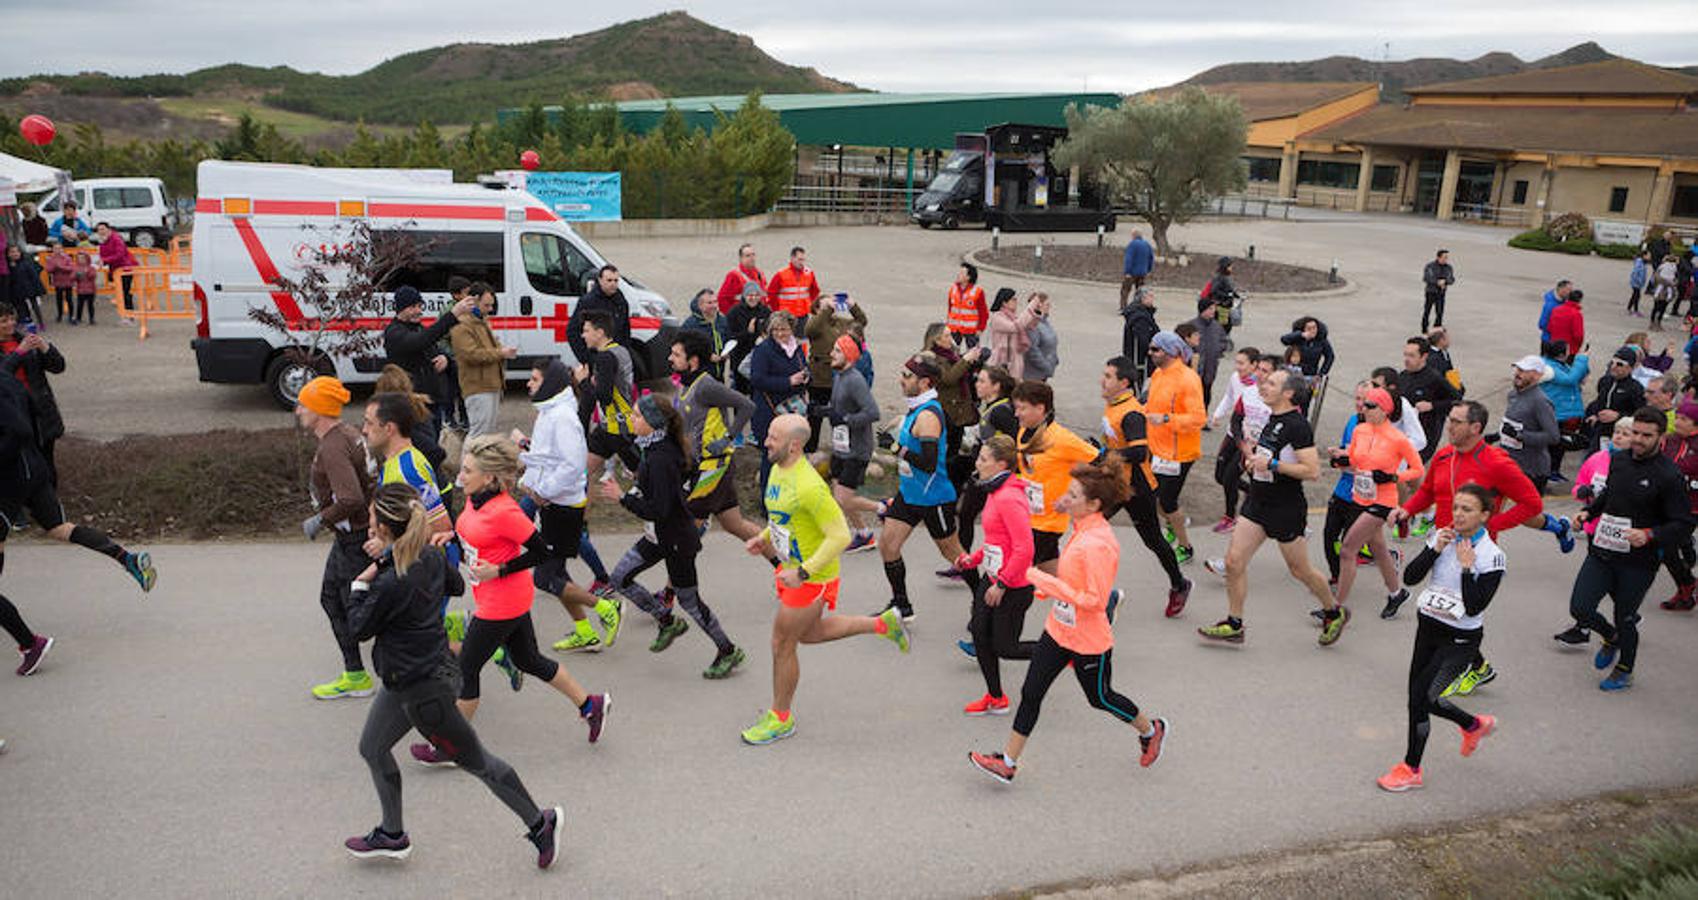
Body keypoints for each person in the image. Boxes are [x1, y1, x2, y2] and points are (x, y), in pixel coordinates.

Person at [341, 482, 564, 868]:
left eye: (374, 518)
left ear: (386, 530)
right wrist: (386, 561)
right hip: (406, 678)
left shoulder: (394, 581)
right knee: (372, 748)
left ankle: (540, 822)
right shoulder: (425, 557)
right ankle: (393, 835)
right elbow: (456, 584)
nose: (369, 522)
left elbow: (357, 627)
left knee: (478, 761)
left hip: (425, 691)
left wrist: (362, 581)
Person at [411, 435, 610, 768]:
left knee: (466, 669)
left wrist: (499, 569)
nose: (461, 476)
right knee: (529, 659)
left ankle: (450, 747)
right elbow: (477, 534)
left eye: (468, 470)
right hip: (500, 597)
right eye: (462, 468)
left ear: (489, 477)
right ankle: (591, 705)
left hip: (501, 601)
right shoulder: (475, 500)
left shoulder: (504, 511)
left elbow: (542, 550)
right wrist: (453, 535)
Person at [967, 460, 1168, 784]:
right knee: (1031, 692)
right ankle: (1007, 762)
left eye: (1073, 494)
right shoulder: (1083, 527)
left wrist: (1041, 581)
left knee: (1100, 697)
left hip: (1089, 639)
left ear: (1094, 505)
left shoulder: (1099, 544)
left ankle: (1151, 729)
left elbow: (1094, 600)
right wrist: (1053, 588)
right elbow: (1071, 579)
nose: (1066, 496)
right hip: (1058, 630)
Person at [740, 414, 909, 745]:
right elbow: (783, 517)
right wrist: (764, 537)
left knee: (782, 644)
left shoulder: (809, 486)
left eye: (773, 437)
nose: (765, 441)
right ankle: (883, 624)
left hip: (809, 577)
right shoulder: (777, 469)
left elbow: (841, 535)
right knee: (811, 634)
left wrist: (803, 572)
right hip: (794, 570)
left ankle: (780, 717)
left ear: (794, 445)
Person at [0, 368, 156, 680]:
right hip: (34, 469)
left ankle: (30, 644)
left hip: (10, 480)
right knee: (59, 528)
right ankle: (126, 558)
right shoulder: (6, 377)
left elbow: (18, 429)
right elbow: (36, 415)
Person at [1389, 400, 1544, 694]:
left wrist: (1492, 526)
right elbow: (1427, 491)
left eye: (1456, 422)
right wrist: (1407, 510)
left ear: (1476, 428)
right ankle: (1477, 666)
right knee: (1442, 609)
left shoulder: (1497, 463)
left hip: (1473, 554)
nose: (1449, 425)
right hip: (1441, 544)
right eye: (1449, 419)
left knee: (1464, 612)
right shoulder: (1445, 455)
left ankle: (1468, 667)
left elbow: (1532, 503)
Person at [1199, 369, 1350, 645]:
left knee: (1300, 570)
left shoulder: (1298, 425)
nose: (1263, 385)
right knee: (1234, 562)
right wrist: (1254, 460)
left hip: (1285, 507)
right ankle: (1235, 623)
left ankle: (1333, 611)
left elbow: (1312, 470)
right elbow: (1269, 456)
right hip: (1257, 501)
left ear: (1288, 393)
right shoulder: (1273, 418)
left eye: (1271, 383)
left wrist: (1272, 465)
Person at [598, 395, 745, 679]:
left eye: (638, 416)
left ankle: (728, 650)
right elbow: (674, 482)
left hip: (676, 539)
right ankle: (666, 620)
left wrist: (623, 497)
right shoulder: (653, 449)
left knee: (690, 601)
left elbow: (659, 510)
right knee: (619, 578)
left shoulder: (661, 458)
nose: (633, 419)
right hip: (657, 538)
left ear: (653, 424)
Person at [1375, 484, 1503, 793]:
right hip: (1428, 630)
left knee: (1427, 698)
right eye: (1456, 507)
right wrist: (1434, 550)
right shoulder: (1441, 537)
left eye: (1467, 509)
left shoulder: (1492, 555)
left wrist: (1466, 567)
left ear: (1485, 515)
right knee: (1415, 701)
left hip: (1459, 640)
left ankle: (1422, 760)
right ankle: (1423, 759)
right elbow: (1410, 578)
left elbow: (1475, 605)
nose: (1458, 514)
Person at [1566, 407, 1694, 691]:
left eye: (1645, 435)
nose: (1637, 439)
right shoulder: (1620, 460)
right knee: (1580, 608)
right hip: (1602, 550)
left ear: (1661, 438)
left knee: (1625, 617)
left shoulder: (1669, 475)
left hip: (1637, 562)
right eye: (1635, 432)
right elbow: (1609, 495)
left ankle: (1625, 669)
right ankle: (1610, 637)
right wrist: (1589, 512)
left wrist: (1650, 534)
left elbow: (1683, 524)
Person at [510, 360, 623, 654]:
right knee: (558, 576)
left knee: (544, 577)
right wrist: (528, 480)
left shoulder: (562, 417)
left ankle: (606, 606)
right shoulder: (549, 413)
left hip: (565, 507)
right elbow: (548, 458)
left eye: (534, 379)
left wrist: (543, 491)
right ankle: (585, 632)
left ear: (550, 383)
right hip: (552, 503)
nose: (529, 384)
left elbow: (574, 466)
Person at [295, 376, 379, 700]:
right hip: (354, 536)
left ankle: (460, 642)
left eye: (304, 403)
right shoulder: (346, 434)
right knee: (336, 600)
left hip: (356, 539)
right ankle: (355, 672)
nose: (299, 409)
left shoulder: (333, 445)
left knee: (364, 609)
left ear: (319, 409)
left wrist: (320, 519)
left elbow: (351, 498)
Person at [875, 356, 966, 622]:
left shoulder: (928, 415)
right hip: (910, 494)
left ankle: (987, 604)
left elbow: (927, 463)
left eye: (908, 376)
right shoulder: (916, 409)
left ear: (924, 382)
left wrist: (894, 447)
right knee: (888, 545)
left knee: (955, 555)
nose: (901, 380)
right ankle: (901, 605)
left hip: (933, 497)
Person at [1100, 356, 1192, 616]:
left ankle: (1179, 583)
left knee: (1153, 540)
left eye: (1108, 376)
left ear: (1124, 382)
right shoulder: (1114, 404)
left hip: (1136, 487)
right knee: (1088, 524)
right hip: (1115, 481)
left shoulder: (1130, 413)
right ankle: (1094, 590)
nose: (1102, 380)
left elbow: (1140, 453)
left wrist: (1104, 456)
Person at [954, 434, 1037, 714]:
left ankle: (1065, 652)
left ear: (1002, 464)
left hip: (1013, 586)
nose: (977, 463)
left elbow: (1025, 548)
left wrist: (1002, 583)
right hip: (992, 578)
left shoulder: (1009, 497)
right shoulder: (994, 491)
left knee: (1005, 647)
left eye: (983, 459)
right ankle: (996, 697)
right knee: (979, 634)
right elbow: (995, 541)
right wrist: (972, 559)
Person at [1329, 385, 1425, 617]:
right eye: (1364, 404)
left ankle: (1335, 609)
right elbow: (1356, 457)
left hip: (1383, 501)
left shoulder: (1398, 438)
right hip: (1360, 496)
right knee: (1379, 549)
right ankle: (1396, 593)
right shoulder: (1361, 430)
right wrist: (1341, 460)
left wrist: (1392, 476)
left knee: (1348, 549)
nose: (1364, 408)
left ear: (1384, 410)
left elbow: (1417, 469)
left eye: (1371, 405)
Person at [670, 330, 762, 545]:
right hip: (697, 465)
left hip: (713, 468)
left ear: (692, 360)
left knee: (682, 533)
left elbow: (747, 405)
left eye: (676, 354)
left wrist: (728, 438)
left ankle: (679, 578)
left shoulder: (706, 386)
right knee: (734, 524)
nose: (670, 359)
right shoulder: (684, 383)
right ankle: (782, 560)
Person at [1013, 380, 1101, 577]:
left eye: (1022, 408)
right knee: (1053, 571)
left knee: (1016, 574)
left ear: (1040, 408)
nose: (1016, 413)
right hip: (1029, 515)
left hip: (1048, 522)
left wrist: (1071, 496)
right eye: (1016, 407)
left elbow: (1100, 462)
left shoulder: (1061, 439)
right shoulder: (1024, 431)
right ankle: (1103, 598)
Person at [1145, 331, 1206, 564]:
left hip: (1179, 453)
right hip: (1157, 449)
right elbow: (1151, 408)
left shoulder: (1188, 379)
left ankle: (1186, 546)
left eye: (1155, 349)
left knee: (1167, 502)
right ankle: (1171, 524)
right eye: (1151, 348)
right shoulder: (1158, 374)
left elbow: (1199, 418)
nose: (1150, 353)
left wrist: (1168, 420)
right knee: (1154, 498)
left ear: (1170, 352)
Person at [384, 286, 475, 438]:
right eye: (413, 307)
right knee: (425, 448)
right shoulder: (394, 332)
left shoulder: (418, 328)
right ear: (400, 309)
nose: (418, 311)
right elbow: (420, 341)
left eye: (420, 306)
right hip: (412, 404)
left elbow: (434, 348)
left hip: (432, 402)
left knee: (433, 443)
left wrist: (445, 359)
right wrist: (452, 315)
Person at [824, 333, 882, 551]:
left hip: (857, 449)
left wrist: (846, 419)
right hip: (841, 446)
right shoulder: (839, 375)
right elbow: (841, 408)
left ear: (848, 355)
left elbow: (873, 412)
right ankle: (864, 533)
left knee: (843, 497)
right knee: (838, 493)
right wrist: (826, 412)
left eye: (837, 351)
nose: (831, 354)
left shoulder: (855, 380)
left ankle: (883, 507)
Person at [955, 364, 1020, 554]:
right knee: (967, 514)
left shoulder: (1002, 411)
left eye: (982, 381)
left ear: (996, 386)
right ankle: (964, 560)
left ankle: (965, 562)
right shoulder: (992, 407)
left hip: (995, 473)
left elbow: (1015, 442)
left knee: (969, 514)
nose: (977, 384)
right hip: (984, 470)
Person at [0, 305, 66, 482]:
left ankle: (50, 500)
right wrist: (19, 352)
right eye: (4, 321)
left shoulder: (25, 340)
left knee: (46, 460)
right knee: (20, 463)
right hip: (13, 414)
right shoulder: (21, 346)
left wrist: (45, 348)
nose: (11, 323)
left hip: (40, 411)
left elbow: (58, 366)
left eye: (12, 318)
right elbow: (3, 374)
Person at [1208, 347, 1268, 534]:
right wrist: (1217, 414)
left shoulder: (1263, 389)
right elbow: (1228, 397)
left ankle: (1230, 517)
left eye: (1242, 363)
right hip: (1233, 434)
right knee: (1220, 476)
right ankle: (1253, 493)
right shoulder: (1235, 379)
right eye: (1237, 362)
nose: (1238, 367)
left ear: (1254, 365)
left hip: (1250, 442)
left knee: (1229, 477)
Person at [575, 310, 639, 483]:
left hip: (620, 430)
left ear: (600, 332)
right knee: (579, 476)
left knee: (644, 478)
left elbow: (605, 397)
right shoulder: (621, 350)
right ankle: (577, 505)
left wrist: (582, 382)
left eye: (586, 330)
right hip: (608, 428)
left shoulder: (605, 358)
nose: (583, 335)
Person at [923, 322, 987, 493]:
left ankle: (950, 483)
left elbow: (961, 374)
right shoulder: (931, 357)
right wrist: (965, 360)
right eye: (946, 336)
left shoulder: (951, 353)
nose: (951, 339)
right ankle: (939, 483)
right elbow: (948, 379)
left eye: (950, 335)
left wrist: (972, 361)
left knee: (954, 446)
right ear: (936, 339)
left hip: (958, 409)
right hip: (945, 410)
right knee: (943, 449)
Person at [450, 282, 517, 439]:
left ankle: (479, 463)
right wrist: (500, 353)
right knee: (478, 433)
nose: (490, 310)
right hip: (477, 386)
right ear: (474, 300)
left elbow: (490, 345)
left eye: (491, 305)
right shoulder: (461, 324)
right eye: (487, 305)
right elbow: (471, 355)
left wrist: (501, 351)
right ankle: (467, 464)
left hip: (490, 384)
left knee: (485, 433)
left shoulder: (481, 321)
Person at [804, 292, 867, 452]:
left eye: (831, 305)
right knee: (815, 417)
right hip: (820, 378)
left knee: (839, 416)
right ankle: (811, 449)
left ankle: (840, 449)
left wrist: (853, 307)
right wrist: (825, 310)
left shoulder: (840, 323)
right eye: (825, 306)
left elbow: (861, 323)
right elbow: (810, 330)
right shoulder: (815, 324)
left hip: (839, 378)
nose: (830, 308)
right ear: (817, 309)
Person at [748, 311, 809, 470]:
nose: (780, 333)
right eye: (776, 330)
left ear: (792, 329)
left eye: (784, 329)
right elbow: (757, 379)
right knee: (771, 458)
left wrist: (806, 377)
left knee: (790, 456)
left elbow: (803, 368)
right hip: (769, 413)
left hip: (792, 410)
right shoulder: (763, 350)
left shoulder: (796, 348)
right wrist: (788, 381)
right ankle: (768, 493)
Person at [1499, 355, 1564, 497]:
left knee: (1529, 517)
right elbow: (1515, 424)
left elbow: (1553, 436)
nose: (1517, 373)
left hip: (1531, 471)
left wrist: (1520, 436)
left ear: (1537, 375)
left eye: (1524, 371)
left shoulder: (1540, 401)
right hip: (1509, 465)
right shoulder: (1513, 395)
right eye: (1518, 369)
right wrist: (1499, 435)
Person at [1657, 401, 1698, 611]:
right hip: (1668, 504)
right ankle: (1686, 586)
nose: (1678, 422)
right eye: (1678, 417)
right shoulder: (1669, 441)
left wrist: (1689, 482)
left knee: (1668, 545)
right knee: (1664, 548)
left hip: (1692, 507)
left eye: (1684, 419)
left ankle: (1686, 585)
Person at [1397, 336, 1457, 464]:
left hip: (1426, 434)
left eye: (1412, 356)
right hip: (1405, 432)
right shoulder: (1402, 376)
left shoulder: (1435, 378)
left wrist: (1432, 405)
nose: (1406, 359)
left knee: (1411, 469)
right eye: (1405, 355)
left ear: (1424, 357)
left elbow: (1457, 401)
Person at [1541, 342, 1590, 478]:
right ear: (1562, 354)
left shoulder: (1561, 365)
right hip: (1556, 413)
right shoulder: (1549, 369)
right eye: (1568, 350)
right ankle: (1548, 472)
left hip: (1564, 413)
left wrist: (1583, 365)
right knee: (1553, 445)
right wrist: (1581, 359)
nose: (1570, 352)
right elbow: (1570, 379)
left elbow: (1579, 377)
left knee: (1560, 445)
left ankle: (1554, 471)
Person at [1583, 349, 1646, 452]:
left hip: (1622, 435)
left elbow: (1640, 414)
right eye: (1612, 362)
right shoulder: (1604, 381)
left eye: (1620, 364)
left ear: (1631, 368)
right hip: (1600, 432)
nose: (1613, 366)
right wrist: (1595, 414)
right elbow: (1599, 401)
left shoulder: (1636, 388)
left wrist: (1618, 416)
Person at [567, 265, 630, 365]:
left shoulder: (621, 302)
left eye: (616, 281)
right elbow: (572, 331)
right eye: (609, 280)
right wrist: (586, 359)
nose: (613, 284)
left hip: (615, 358)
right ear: (600, 280)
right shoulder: (588, 302)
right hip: (595, 358)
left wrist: (623, 353)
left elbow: (625, 332)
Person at [725, 280, 771, 393]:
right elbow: (730, 337)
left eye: (756, 295)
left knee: (758, 390)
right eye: (750, 295)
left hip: (760, 356)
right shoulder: (734, 312)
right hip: (739, 357)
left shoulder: (765, 311)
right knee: (740, 392)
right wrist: (748, 332)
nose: (753, 298)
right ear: (744, 296)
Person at [680, 289, 731, 381]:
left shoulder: (722, 321)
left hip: (718, 375)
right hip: (697, 378)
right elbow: (682, 349)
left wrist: (728, 352)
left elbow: (729, 339)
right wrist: (707, 356)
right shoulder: (690, 325)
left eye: (715, 302)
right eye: (709, 303)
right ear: (700, 305)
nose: (714, 306)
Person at [1118, 287, 1160, 392]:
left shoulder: (1143, 313)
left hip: (1136, 358)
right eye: (1150, 296)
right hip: (1140, 360)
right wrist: (1153, 351)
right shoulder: (1140, 318)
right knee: (1139, 385)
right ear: (1142, 299)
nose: (1152, 299)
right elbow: (1143, 341)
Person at [766, 246, 821, 322]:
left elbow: (815, 291)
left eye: (803, 260)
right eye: (799, 259)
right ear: (792, 258)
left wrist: (810, 307)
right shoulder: (781, 274)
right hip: (786, 316)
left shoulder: (809, 273)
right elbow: (771, 293)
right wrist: (777, 310)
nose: (802, 262)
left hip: (803, 315)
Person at [94, 223, 137, 321]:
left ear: (108, 229)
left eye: (102, 229)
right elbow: (103, 255)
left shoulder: (116, 239)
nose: (101, 231)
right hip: (115, 269)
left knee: (125, 292)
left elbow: (120, 254)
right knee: (121, 291)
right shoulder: (103, 241)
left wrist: (105, 260)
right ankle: (126, 313)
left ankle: (130, 315)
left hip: (126, 268)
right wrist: (102, 261)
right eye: (98, 230)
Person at [986, 288, 1032, 379]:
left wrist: (1036, 309)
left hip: (1014, 362)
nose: (1016, 302)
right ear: (1004, 302)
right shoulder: (997, 317)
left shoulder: (1014, 317)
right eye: (1013, 299)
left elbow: (1029, 325)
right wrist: (1031, 307)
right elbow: (1014, 327)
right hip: (1001, 363)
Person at [946, 263, 988, 348]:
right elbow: (950, 308)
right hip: (954, 327)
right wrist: (948, 325)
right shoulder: (953, 289)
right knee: (952, 353)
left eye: (962, 273)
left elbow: (983, 313)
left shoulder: (977, 292)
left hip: (971, 330)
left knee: (972, 354)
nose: (958, 275)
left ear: (968, 277)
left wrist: (980, 328)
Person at [715, 243, 766, 314]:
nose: (752, 258)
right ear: (741, 258)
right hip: (741, 318)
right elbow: (722, 299)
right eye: (748, 256)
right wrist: (732, 317)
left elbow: (763, 297)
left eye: (753, 254)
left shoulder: (760, 274)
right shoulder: (734, 275)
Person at [5, 246, 44, 327]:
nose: (14, 254)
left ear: (20, 253)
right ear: (8, 254)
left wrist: (39, 289)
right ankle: (27, 320)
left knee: (35, 306)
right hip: (18, 290)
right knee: (21, 306)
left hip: (30, 288)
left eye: (16, 252)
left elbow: (34, 277)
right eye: (12, 252)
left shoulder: (26, 263)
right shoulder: (8, 266)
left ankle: (41, 322)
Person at [1120, 230, 1154, 310]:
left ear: (1133, 235)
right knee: (1140, 291)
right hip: (1143, 272)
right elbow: (1151, 258)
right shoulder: (1147, 245)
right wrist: (1148, 270)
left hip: (1132, 272)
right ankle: (1139, 307)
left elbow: (1129, 259)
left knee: (1125, 290)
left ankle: (1124, 307)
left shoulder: (1132, 245)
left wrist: (1127, 271)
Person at [1546, 289, 1585, 358]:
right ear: (1580, 300)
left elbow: (1549, 328)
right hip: (1569, 349)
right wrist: (1578, 347)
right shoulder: (1576, 314)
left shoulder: (1556, 310)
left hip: (1554, 346)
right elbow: (1578, 335)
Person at [1421, 249, 1454, 332]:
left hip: (1441, 293)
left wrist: (1445, 282)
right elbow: (1426, 278)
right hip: (1431, 292)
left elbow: (1451, 279)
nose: (1446, 259)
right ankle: (1424, 328)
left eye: (1447, 258)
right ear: (1438, 257)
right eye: (1444, 257)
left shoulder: (1449, 267)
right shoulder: (1430, 266)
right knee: (1427, 311)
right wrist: (1437, 282)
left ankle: (1437, 328)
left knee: (1439, 312)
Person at [43, 240, 75, 325]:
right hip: (58, 282)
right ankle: (59, 315)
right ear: (53, 249)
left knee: (69, 299)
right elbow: (48, 270)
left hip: (68, 281)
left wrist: (60, 267)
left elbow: (71, 268)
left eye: (59, 248)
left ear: (62, 249)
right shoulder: (51, 258)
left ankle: (71, 316)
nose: (57, 250)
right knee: (58, 300)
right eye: (55, 248)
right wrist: (54, 267)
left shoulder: (67, 257)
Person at [1650, 254, 1679, 331]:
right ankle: (1653, 323)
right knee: (1657, 307)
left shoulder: (1673, 268)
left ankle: (1658, 322)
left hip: (1664, 290)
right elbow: (1657, 278)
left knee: (1662, 307)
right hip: (1662, 291)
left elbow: (1676, 279)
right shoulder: (1662, 267)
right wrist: (1670, 283)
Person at [71, 252, 99, 326]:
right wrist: (77, 275)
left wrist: (87, 273)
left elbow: (93, 276)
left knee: (90, 305)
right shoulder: (76, 267)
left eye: (83, 258)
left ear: (87, 259)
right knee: (80, 305)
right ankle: (78, 318)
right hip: (80, 290)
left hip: (90, 290)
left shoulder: (91, 267)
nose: (81, 260)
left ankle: (92, 319)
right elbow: (72, 277)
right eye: (79, 258)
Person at [1628, 253, 1649, 317]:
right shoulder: (1639, 263)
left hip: (1638, 283)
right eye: (1648, 255)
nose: (1649, 257)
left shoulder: (1642, 262)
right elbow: (1636, 273)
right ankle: (1635, 311)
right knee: (1637, 296)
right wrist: (1639, 281)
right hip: (1636, 283)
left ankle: (1629, 308)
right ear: (1644, 256)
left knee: (1634, 295)